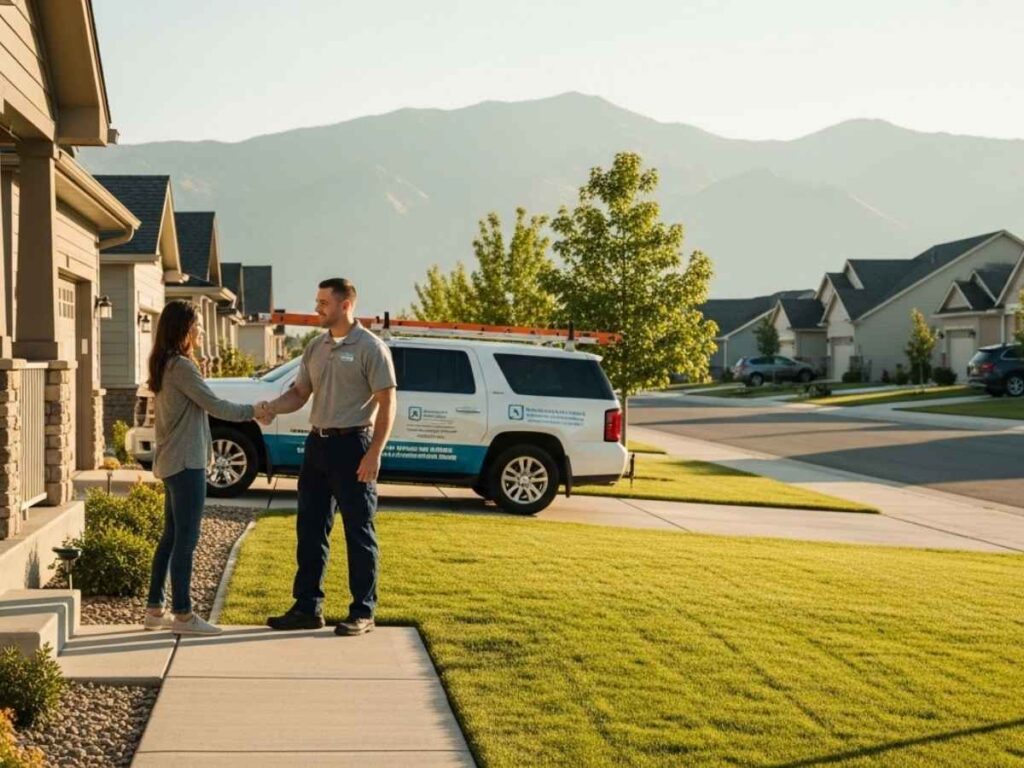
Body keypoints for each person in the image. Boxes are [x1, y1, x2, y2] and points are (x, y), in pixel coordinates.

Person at [259, 278, 396, 636]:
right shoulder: (316, 347)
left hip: (354, 446)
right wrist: (272, 408)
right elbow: (300, 392)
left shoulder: (371, 348)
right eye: (317, 301)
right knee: (310, 529)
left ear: (346, 305)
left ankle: (363, 611)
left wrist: (374, 453)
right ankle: (307, 608)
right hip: (317, 446)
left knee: (359, 531)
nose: (317, 308)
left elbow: (387, 403)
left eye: (323, 302)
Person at [143, 301, 270, 636]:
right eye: (196, 325)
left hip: (172, 462)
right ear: (184, 329)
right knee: (187, 538)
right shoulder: (182, 366)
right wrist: (255, 410)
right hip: (187, 463)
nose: (200, 331)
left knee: (171, 537)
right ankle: (183, 616)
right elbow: (215, 405)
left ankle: (155, 609)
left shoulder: (164, 363)